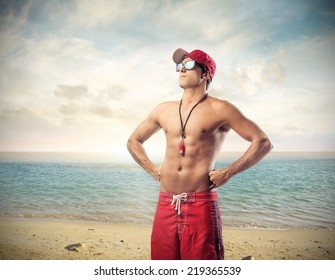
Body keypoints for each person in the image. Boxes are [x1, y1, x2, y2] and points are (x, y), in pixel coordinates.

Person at [127, 48, 272, 260]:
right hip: (166, 203)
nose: (180, 70)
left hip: (200, 204)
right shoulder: (163, 109)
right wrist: (152, 169)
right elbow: (133, 141)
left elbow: (262, 142)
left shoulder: (220, 109)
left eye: (187, 65)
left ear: (205, 74)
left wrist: (229, 172)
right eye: (179, 66)